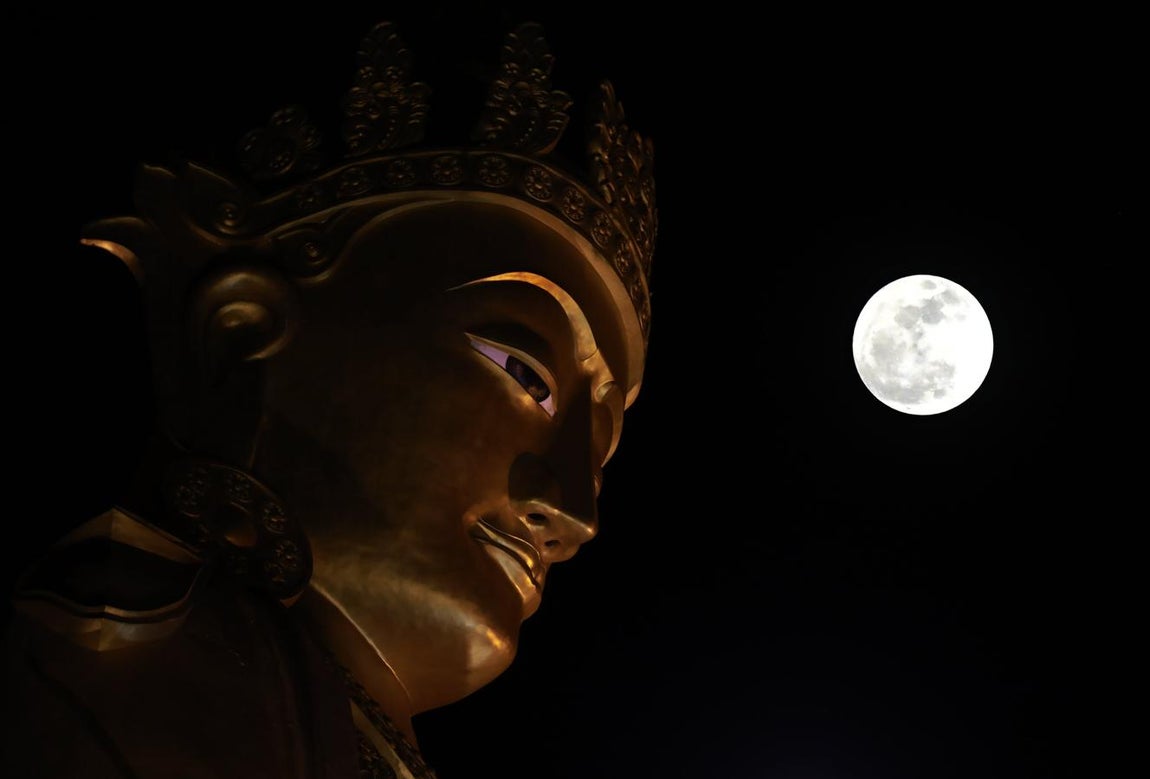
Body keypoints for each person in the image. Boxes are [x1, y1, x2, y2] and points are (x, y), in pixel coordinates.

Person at [2, 19, 655, 778]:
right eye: (524, 374)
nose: (575, 514)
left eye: (601, 451)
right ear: (244, 332)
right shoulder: (120, 671)